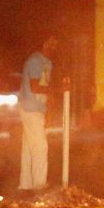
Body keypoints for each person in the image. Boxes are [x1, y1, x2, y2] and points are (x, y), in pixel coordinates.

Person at [18, 34, 64, 193]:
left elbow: (44, 89)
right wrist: (58, 90)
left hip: (36, 108)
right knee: (40, 146)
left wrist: (48, 110)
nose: (55, 47)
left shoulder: (47, 63)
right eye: (52, 43)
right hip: (30, 108)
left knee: (29, 148)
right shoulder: (35, 61)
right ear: (44, 43)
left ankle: (26, 185)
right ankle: (39, 185)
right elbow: (36, 87)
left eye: (56, 44)